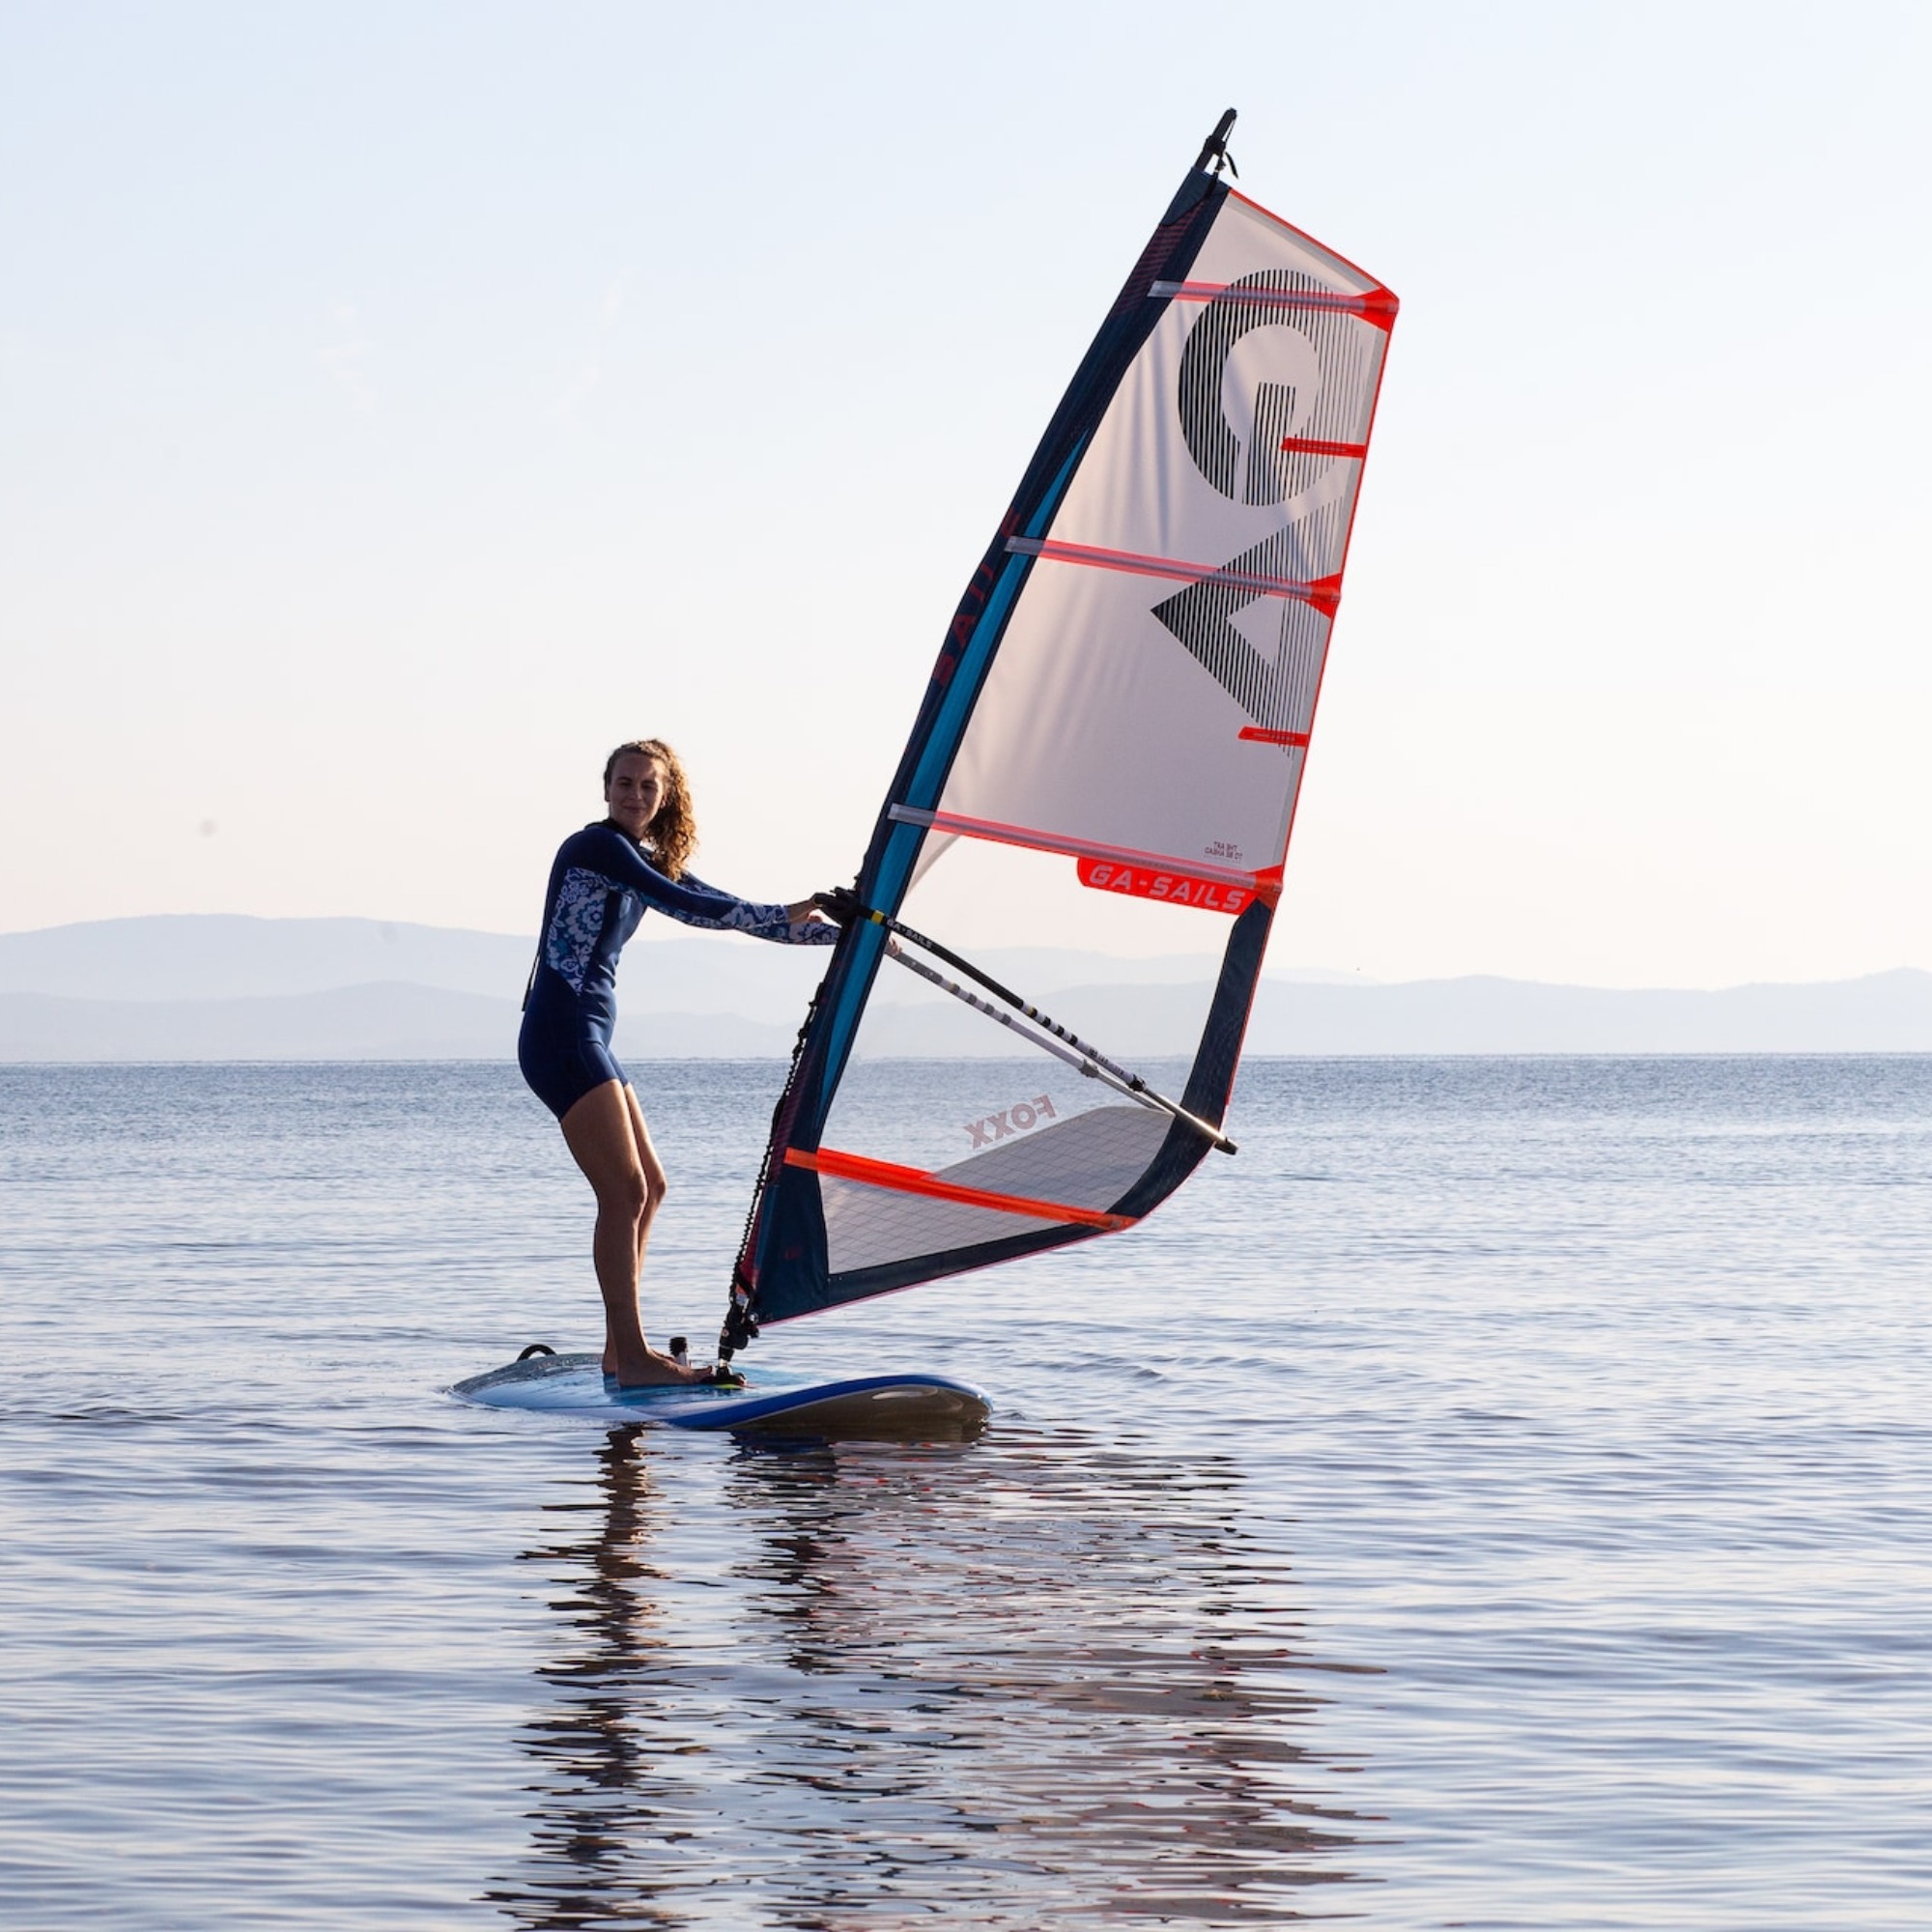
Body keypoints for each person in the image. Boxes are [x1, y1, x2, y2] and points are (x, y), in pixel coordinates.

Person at [519, 738, 835, 1386]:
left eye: (648, 786)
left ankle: (620, 1352)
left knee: (651, 1187)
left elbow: (732, 913)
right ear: (606, 789)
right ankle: (633, 1358)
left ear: (664, 797)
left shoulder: (645, 860)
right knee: (623, 1191)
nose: (635, 795)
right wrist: (784, 909)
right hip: (560, 1033)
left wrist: (847, 935)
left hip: (589, 1035)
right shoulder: (596, 848)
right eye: (624, 783)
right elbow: (696, 910)